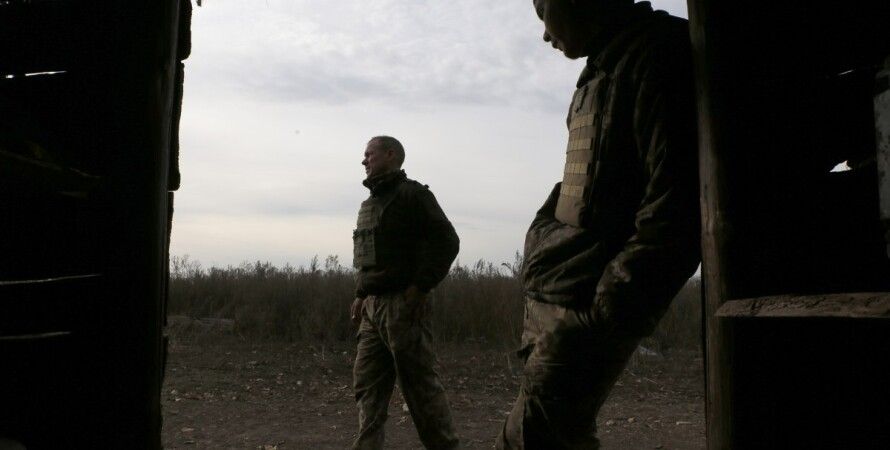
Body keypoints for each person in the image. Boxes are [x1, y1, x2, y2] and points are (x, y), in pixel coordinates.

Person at [497, 1, 701, 448]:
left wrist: (603, 313)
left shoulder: (656, 54)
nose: (544, 35)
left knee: (532, 437)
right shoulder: (605, 68)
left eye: (543, 12)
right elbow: (586, 190)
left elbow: (676, 211)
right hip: (563, 295)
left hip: (587, 306)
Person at [350, 136, 461, 450]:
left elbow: (448, 241)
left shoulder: (414, 195)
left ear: (390, 155)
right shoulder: (370, 204)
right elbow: (369, 257)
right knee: (368, 389)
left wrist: (421, 287)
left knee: (420, 390)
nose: (364, 160)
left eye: (369, 154)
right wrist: (361, 293)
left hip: (403, 307)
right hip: (372, 310)